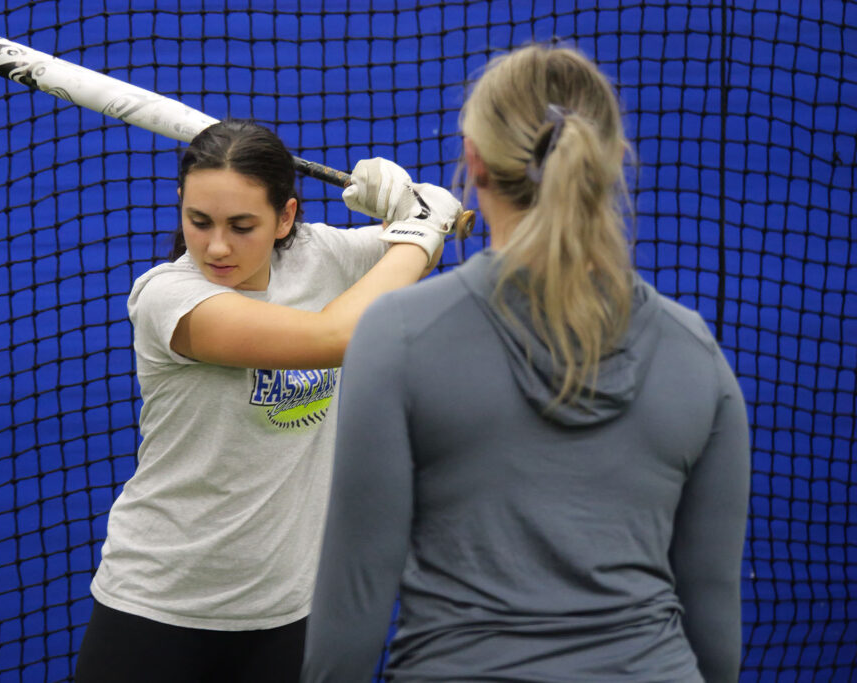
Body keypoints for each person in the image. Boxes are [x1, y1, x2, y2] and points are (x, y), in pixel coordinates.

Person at [302, 44, 751, 682]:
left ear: (473, 161)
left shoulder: (398, 336)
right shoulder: (696, 353)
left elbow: (351, 613)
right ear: (612, 159)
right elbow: (714, 625)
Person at [73, 118, 462, 682]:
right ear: (180, 202)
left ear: (285, 218)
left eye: (243, 224)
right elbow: (335, 337)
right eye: (199, 221)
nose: (218, 245)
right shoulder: (170, 298)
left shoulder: (319, 255)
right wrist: (423, 225)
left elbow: (407, 256)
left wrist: (413, 212)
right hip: (159, 609)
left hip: (288, 611)